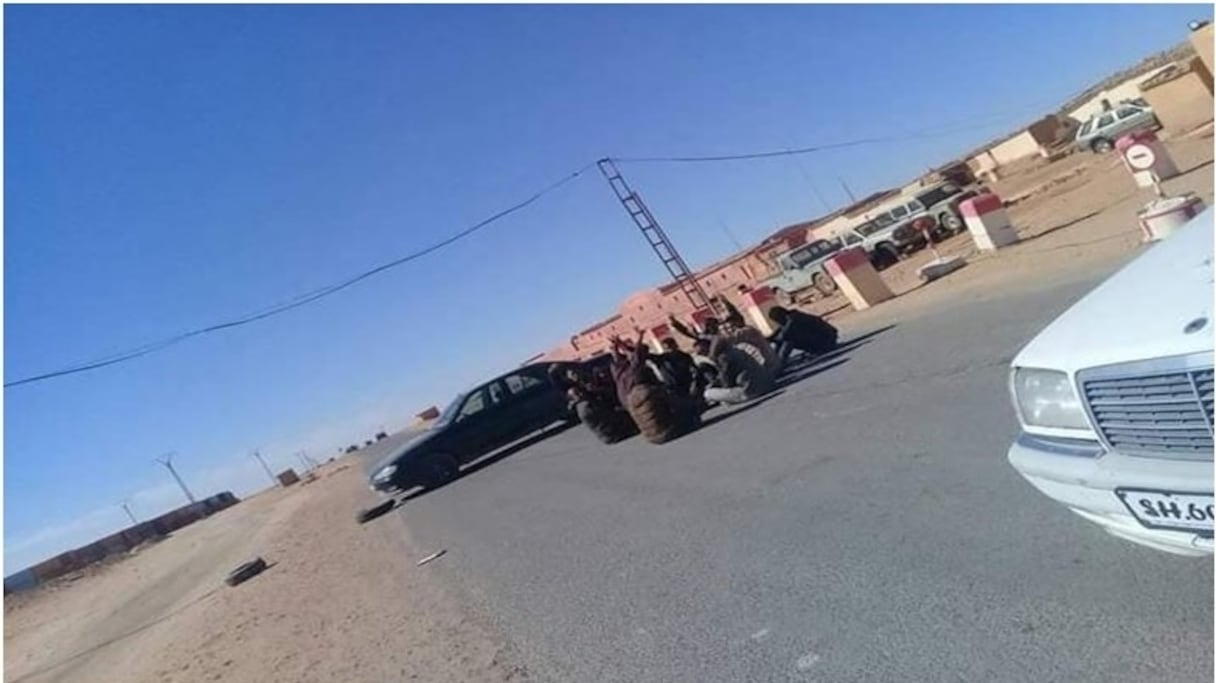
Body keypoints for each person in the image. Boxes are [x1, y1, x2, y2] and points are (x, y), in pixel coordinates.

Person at [610, 331, 699, 444]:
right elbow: (638, 355)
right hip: (668, 432)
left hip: (652, 438)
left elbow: (625, 358)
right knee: (687, 407)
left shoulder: (620, 376)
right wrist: (639, 337)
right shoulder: (641, 378)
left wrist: (616, 347)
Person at [548, 363, 636, 444]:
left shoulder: (583, 403)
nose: (573, 373)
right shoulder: (587, 406)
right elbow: (610, 415)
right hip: (614, 434)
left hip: (609, 434)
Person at [767, 305, 839, 365]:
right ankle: (776, 361)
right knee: (784, 339)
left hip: (827, 339)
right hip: (825, 338)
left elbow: (784, 334)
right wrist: (769, 339)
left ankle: (779, 363)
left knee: (789, 339)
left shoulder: (793, 319)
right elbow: (779, 331)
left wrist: (774, 340)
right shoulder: (791, 317)